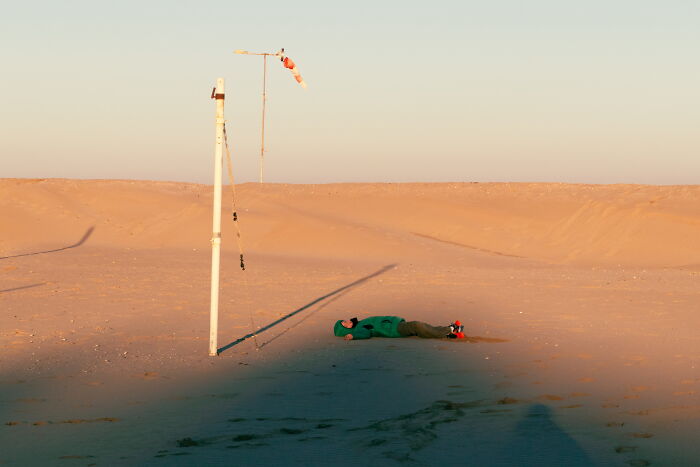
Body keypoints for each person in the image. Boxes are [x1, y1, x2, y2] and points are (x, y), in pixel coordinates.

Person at [333, 316, 465, 340]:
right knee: (416, 325)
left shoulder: (360, 323)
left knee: (419, 328)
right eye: (344, 324)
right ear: (345, 330)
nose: (348, 321)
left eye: (345, 320)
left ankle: (447, 334)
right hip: (394, 329)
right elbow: (364, 334)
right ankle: (451, 329)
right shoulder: (359, 328)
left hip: (394, 325)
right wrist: (353, 336)